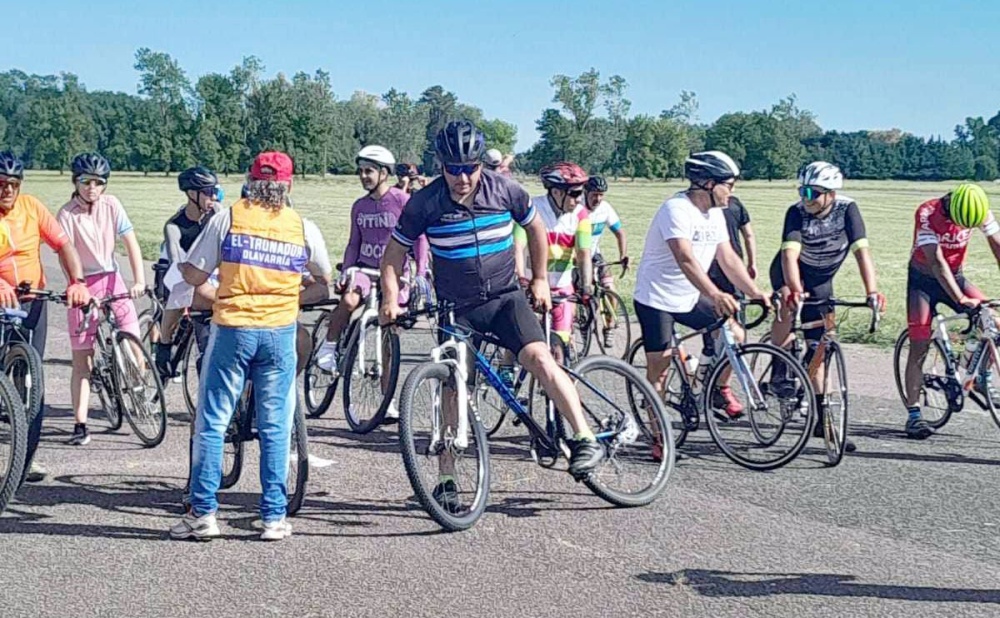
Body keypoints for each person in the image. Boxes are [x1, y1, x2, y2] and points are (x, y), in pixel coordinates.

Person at [379, 120, 605, 511]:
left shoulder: (504, 190)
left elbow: (535, 229)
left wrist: (537, 279)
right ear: (441, 165)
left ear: (481, 165)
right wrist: (389, 300)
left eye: (470, 168)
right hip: (457, 308)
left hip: (505, 298)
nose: (463, 177)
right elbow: (394, 254)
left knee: (539, 358)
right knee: (452, 387)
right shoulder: (425, 202)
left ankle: (584, 437)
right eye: (454, 168)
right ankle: (446, 479)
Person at [172, 151, 327, 541]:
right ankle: (274, 516)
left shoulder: (228, 217)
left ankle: (203, 511)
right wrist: (292, 289)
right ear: (288, 185)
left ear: (249, 180)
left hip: (234, 326)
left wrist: (208, 281)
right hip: (279, 330)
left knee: (213, 421)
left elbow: (193, 271)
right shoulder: (301, 226)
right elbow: (324, 276)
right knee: (276, 425)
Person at [633, 150, 769, 451]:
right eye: (729, 184)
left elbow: (728, 258)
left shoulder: (717, 213)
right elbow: (686, 259)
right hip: (657, 298)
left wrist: (755, 291)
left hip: (689, 296)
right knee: (661, 365)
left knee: (735, 334)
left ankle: (717, 387)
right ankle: (658, 435)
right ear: (707, 183)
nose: (732, 192)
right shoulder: (676, 209)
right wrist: (716, 294)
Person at [767, 162, 883, 453]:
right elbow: (789, 256)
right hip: (790, 271)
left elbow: (862, 253)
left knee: (821, 345)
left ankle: (823, 420)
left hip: (821, 280)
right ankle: (779, 368)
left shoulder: (848, 210)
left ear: (831, 194)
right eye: (802, 190)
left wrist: (872, 292)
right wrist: (794, 290)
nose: (805, 198)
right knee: (787, 302)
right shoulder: (795, 213)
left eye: (812, 193)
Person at [315, 146, 429, 406]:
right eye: (361, 171)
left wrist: (420, 273)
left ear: (384, 174)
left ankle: (387, 400)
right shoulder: (359, 206)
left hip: (396, 273)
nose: (364, 176)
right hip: (365, 269)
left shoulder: (401, 200)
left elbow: (420, 239)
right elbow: (353, 242)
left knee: (390, 332)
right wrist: (347, 269)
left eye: (369, 171)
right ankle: (329, 346)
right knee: (348, 301)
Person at [0, 152, 90, 480]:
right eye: (0, 185)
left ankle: (26, 456)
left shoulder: (32, 207)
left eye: (13, 185)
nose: (7, 191)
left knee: (31, 379)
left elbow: (64, 246)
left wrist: (77, 283)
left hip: (31, 302)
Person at [57, 153, 146, 447]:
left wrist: (139, 280)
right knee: (82, 360)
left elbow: (130, 243)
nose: (92, 188)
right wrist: (78, 287)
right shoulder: (67, 214)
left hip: (112, 277)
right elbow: (66, 256)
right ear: (76, 182)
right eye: (86, 182)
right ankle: (80, 424)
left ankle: (137, 387)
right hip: (83, 283)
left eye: (98, 182)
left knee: (133, 342)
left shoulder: (112, 204)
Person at [903, 183, 1000, 440]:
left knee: (993, 320)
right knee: (919, 345)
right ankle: (913, 415)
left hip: (956, 276)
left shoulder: (979, 210)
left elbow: (998, 245)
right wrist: (960, 298)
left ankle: (980, 376)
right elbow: (936, 262)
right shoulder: (927, 213)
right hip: (923, 282)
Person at [513, 162, 593, 357]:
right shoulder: (532, 209)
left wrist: (587, 286)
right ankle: (507, 367)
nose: (579, 199)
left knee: (559, 348)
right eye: (574, 194)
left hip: (561, 288)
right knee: (520, 343)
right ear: (556, 192)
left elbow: (583, 253)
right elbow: (518, 246)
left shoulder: (581, 215)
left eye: (581, 193)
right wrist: (522, 278)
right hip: (532, 286)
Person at [154, 166, 222, 380]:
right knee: (179, 292)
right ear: (193, 194)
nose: (214, 197)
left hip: (209, 269)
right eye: (209, 192)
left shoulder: (218, 213)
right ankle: (164, 344)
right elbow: (178, 263)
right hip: (183, 268)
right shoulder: (174, 226)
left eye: (215, 191)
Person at [582, 175, 628, 347]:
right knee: (576, 292)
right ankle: (580, 322)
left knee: (609, 288)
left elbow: (620, 233)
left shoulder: (605, 209)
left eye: (601, 195)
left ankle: (609, 327)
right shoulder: (576, 208)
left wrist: (623, 255)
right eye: (594, 194)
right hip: (575, 255)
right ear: (585, 192)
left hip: (594, 254)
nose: (598, 199)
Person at [707, 194, 757, 310]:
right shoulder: (734, 204)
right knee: (737, 304)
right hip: (733, 263)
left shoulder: (698, 206)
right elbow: (748, 235)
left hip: (706, 262)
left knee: (710, 305)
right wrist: (752, 263)